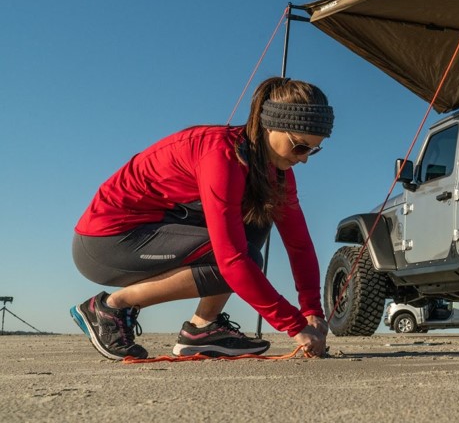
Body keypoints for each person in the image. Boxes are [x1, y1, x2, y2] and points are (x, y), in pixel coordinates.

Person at [70, 77, 332, 359]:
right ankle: (110, 307)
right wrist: (293, 325)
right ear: (272, 125)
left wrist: (312, 310)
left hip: (160, 227)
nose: (304, 158)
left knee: (258, 216)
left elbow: (299, 244)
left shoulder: (276, 173)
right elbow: (231, 259)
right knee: (244, 258)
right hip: (106, 242)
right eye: (300, 147)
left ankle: (202, 328)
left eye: (313, 150)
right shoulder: (221, 155)